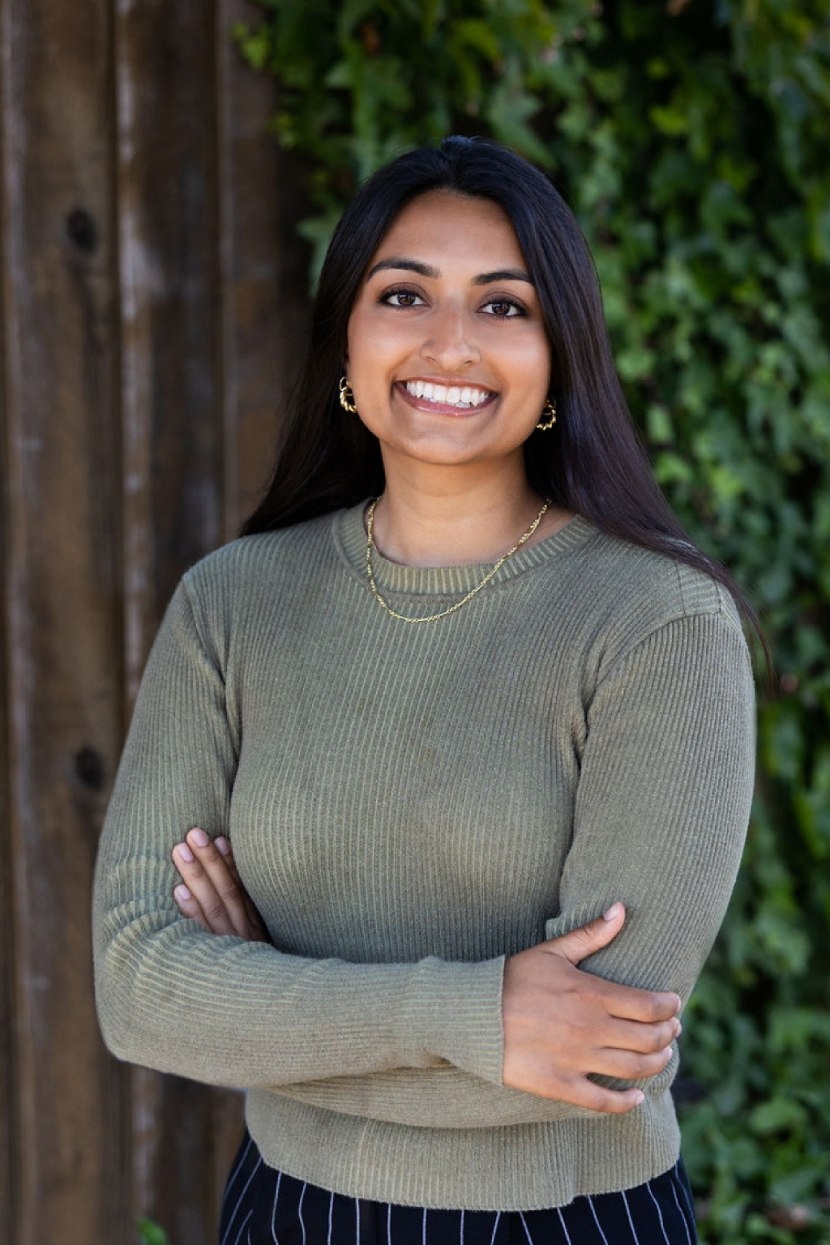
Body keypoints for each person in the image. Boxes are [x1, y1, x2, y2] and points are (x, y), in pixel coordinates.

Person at [93, 136, 756, 1244]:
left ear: (559, 357)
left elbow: (594, 1050)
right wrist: (476, 1014)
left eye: (504, 307)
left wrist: (261, 999)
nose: (449, 341)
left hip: (556, 1219)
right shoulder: (233, 605)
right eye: (403, 293)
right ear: (346, 342)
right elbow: (136, 991)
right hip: (281, 1211)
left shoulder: (656, 625)